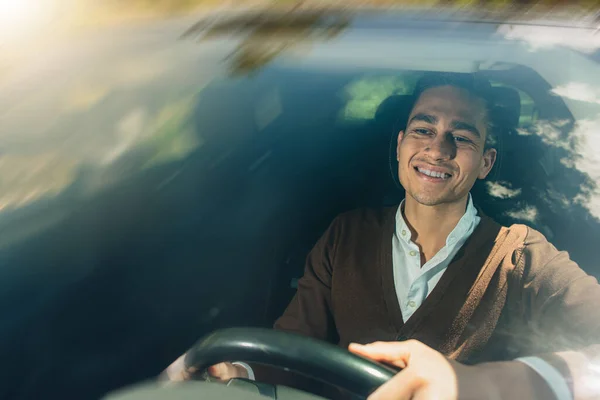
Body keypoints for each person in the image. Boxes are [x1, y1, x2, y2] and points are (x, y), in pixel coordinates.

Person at [166, 73, 600, 400]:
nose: (437, 149)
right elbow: (291, 349)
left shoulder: (521, 257)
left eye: (461, 137)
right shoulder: (346, 234)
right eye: (423, 129)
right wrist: (239, 369)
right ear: (399, 145)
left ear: (486, 163)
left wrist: (487, 383)